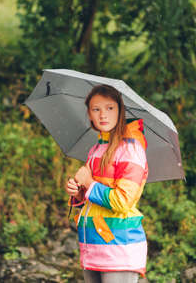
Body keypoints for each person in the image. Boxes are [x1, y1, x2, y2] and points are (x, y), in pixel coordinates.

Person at [65, 84, 149, 283]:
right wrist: (77, 193)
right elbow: (90, 197)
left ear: (120, 111)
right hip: (92, 247)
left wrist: (90, 182)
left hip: (119, 248)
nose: (103, 115)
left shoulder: (131, 149)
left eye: (110, 108)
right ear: (89, 114)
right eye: (96, 109)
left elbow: (122, 201)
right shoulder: (96, 148)